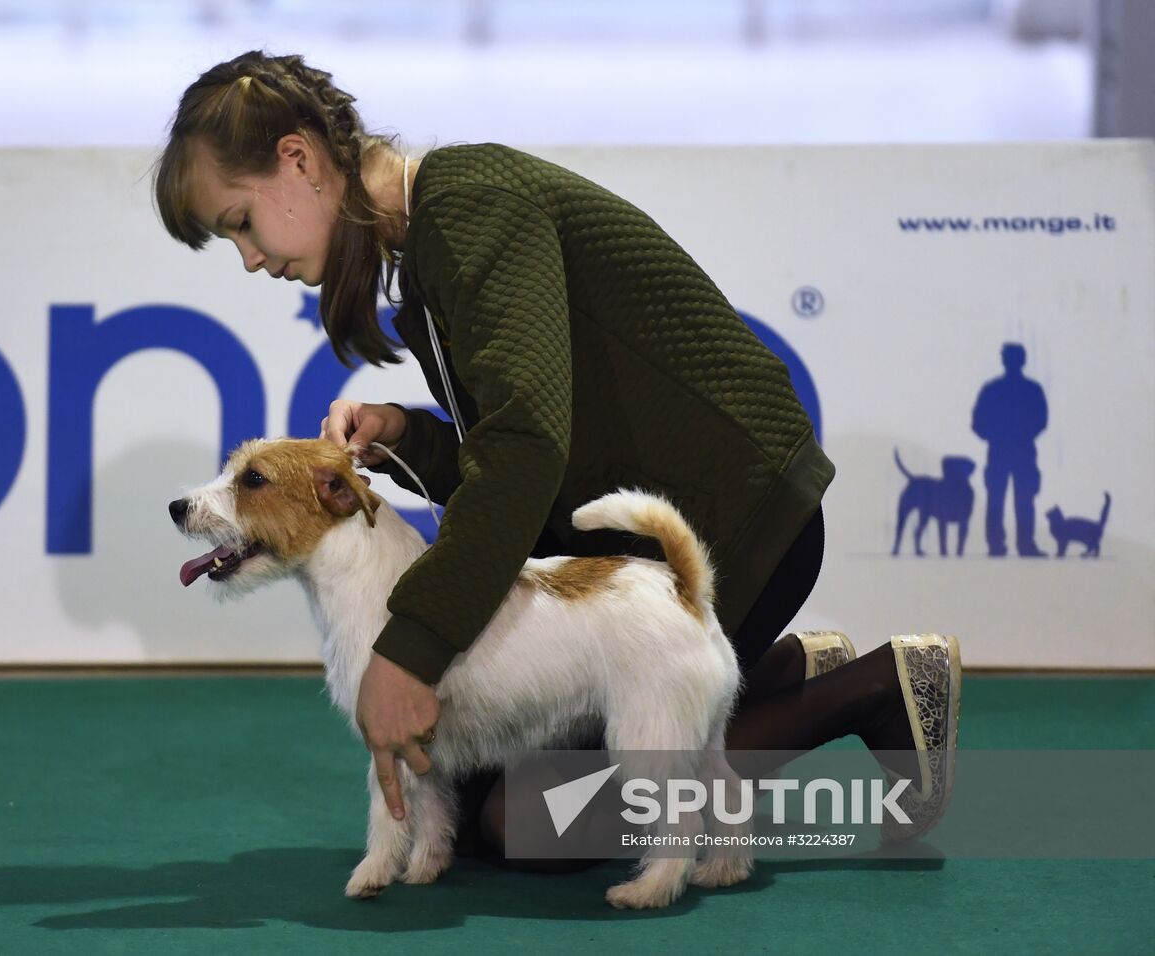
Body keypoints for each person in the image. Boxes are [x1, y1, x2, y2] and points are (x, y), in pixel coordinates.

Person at [153, 50, 963, 862]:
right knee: (467, 808)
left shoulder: (469, 208)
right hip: (645, 547)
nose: (252, 259)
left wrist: (410, 649)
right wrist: (409, 433)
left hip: (738, 527)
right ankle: (782, 672)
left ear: (297, 160)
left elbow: (527, 450)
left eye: (240, 224)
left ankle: (877, 692)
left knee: (524, 822)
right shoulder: (431, 241)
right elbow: (519, 441)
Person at [972, 343, 1049, 557]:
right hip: (1017, 449)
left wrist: (997, 436)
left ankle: (1001, 544)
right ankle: (1021, 544)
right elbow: (1041, 420)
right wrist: (1019, 435)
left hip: (1004, 450)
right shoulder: (1031, 389)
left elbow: (978, 423)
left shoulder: (993, 389)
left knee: (1004, 498)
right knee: (1017, 499)